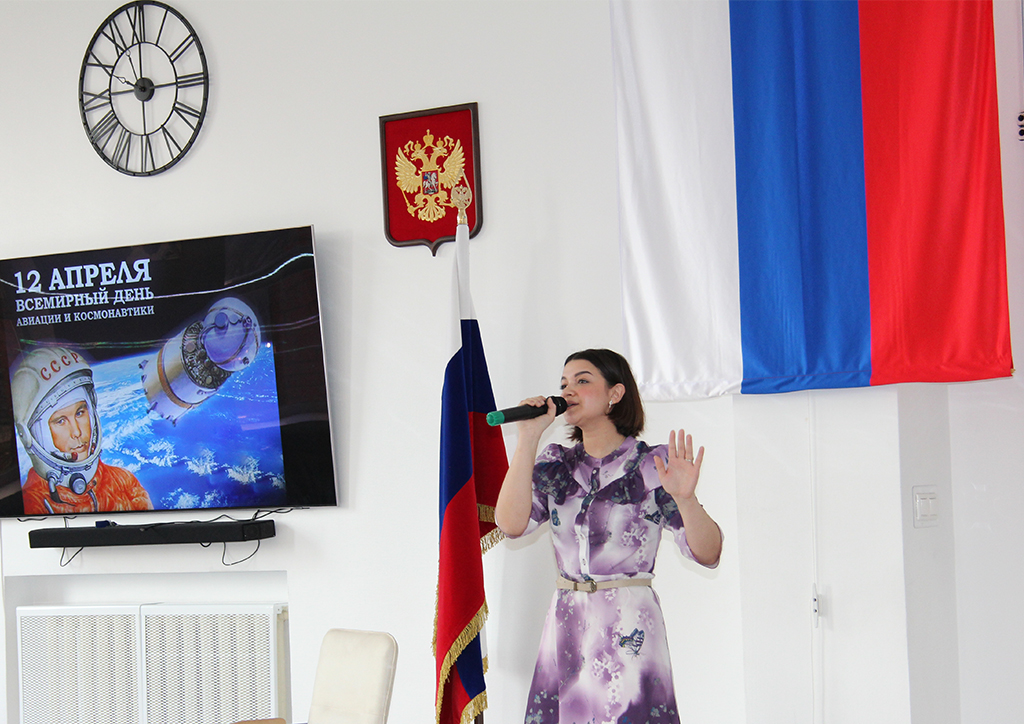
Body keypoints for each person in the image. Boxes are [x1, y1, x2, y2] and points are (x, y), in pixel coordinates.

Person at [495, 348, 722, 724]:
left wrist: (686, 499)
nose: (568, 390)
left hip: (628, 628)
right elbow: (510, 524)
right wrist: (528, 439)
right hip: (567, 624)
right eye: (564, 383)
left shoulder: (653, 465)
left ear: (615, 394)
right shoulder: (556, 463)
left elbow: (708, 553)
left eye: (582, 381)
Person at [11, 346, 153, 515]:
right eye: (61, 421)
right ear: (29, 436)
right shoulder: (32, 505)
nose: (77, 432)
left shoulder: (124, 482)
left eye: (80, 413)